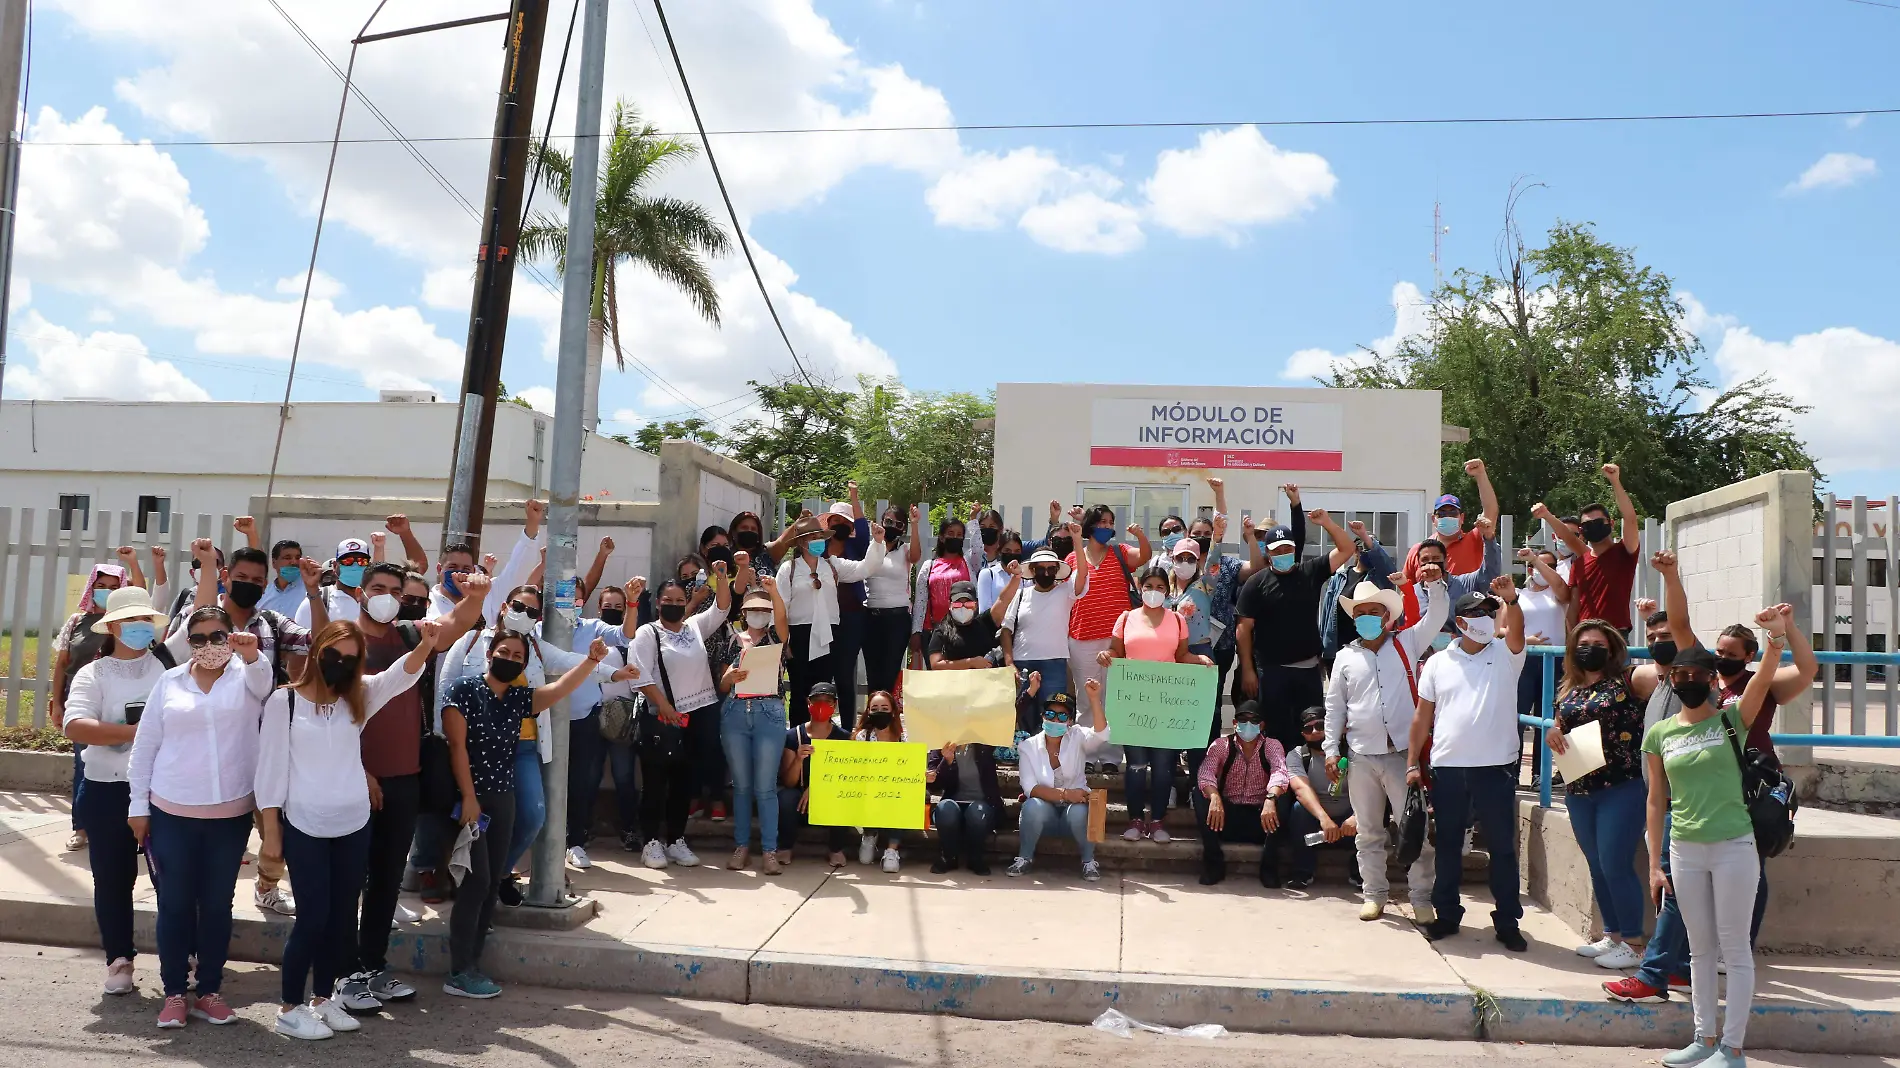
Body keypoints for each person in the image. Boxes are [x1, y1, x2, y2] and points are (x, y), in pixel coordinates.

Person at [255, 618, 439, 1039]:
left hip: (353, 823)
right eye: (334, 653)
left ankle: (322, 999)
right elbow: (269, 772)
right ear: (318, 650)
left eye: (351, 659)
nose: (340, 663)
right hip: (305, 824)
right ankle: (289, 1006)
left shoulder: (357, 698)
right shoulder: (284, 703)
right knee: (312, 918)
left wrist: (426, 646)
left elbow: (399, 677)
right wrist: (271, 833)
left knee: (341, 919)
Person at [328, 564, 487, 1011]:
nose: (387, 596)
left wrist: (476, 595)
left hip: (404, 779)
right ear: (360, 593)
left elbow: (455, 623)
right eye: (378, 588)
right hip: (352, 780)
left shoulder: (408, 635)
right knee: (347, 880)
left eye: (395, 590)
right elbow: (328, 715)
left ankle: (372, 968)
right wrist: (359, 771)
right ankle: (343, 974)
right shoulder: (343, 643)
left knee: (386, 881)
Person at [1642, 621, 1785, 1068]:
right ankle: (1704, 1039)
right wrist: (1653, 864)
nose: (1688, 682)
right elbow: (1655, 800)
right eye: (1679, 676)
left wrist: (1777, 639)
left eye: (1697, 675)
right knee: (1699, 950)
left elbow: (1764, 676)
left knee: (1734, 948)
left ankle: (1734, 1048)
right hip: (1685, 849)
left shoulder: (1732, 719)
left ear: (1711, 679)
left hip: (1734, 847)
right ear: (1671, 679)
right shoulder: (1660, 734)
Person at [435, 583, 632, 903]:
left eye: (531, 612)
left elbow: (571, 663)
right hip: (474, 748)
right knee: (471, 818)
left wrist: (615, 674)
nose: (523, 615)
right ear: (503, 607)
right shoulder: (471, 642)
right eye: (518, 607)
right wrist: (444, 738)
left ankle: (499, 873)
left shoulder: (536, 648)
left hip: (523, 747)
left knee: (532, 816)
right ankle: (463, 881)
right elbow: (445, 691)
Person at [439, 630, 607, 999]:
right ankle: (458, 971)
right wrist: (469, 798)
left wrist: (592, 661)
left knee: (489, 885)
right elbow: (456, 748)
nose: (511, 659)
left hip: (503, 798)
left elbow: (560, 688)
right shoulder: (463, 690)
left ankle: (473, 963)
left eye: (518, 656)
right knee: (475, 882)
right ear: (489, 653)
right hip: (469, 800)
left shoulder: (517, 697)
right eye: (504, 652)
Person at [126, 610, 273, 1029]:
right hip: (172, 809)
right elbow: (146, 744)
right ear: (187, 642)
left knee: (215, 905)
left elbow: (265, 687)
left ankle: (209, 989)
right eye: (198, 638)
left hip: (230, 812)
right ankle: (174, 993)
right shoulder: (169, 683)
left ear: (231, 636)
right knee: (173, 904)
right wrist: (138, 807)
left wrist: (252, 656)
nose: (208, 644)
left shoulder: (247, 676)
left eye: (217, 635)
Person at [170, 537, 324, 918]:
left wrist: (314, 594)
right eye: (242, 576)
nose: (250, 584)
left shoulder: (270, 622)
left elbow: (318, 642)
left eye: (258, 580)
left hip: (262, 745)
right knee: (216, 835)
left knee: (275, 826)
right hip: (206, 747)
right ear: (225, 576)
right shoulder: (199, 621)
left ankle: (267, 886)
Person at [1408, 577, 1529, 950]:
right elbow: (1422, 719)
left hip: (1495, 769)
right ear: (1460, 622)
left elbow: (1518, 629)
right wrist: (1414, 763)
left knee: (1502, 849)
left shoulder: (1506, 654)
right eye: (1477, 614)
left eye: (1489, 613)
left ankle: (1507, 921)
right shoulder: (1437, 663)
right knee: (1447, 847)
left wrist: (1511, 599)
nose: (1485, 619)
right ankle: (1447, 915)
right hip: (1448, 770)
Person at [61, 586, 171, 995]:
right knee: (112, 878)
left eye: (146, 620)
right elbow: (75, 726)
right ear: (113, 626)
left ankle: (184, 956)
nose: (140, 628)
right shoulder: (95, 673)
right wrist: (134, 733)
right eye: (131, 621)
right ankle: (119, 959)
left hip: (160, 792)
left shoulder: (166, 669)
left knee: (169, 880)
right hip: (107, 790)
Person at [1325, 574, 1448, 921]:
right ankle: (1373, 894)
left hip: (1401, 757)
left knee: (1414, 829)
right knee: (1368, 832)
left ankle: (1421, 898)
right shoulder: (1345, 658)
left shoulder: (1407, 642)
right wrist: (1332, 748)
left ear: (1387, 616)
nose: (1366, 617)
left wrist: (1432, 586)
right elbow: (1335, 706)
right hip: (1362, 754)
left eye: (1373, 611)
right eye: (1360, 612)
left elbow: (1437, 615)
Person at [1543, 619, 1649, 971]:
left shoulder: (1629, 680)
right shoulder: (1570, 689)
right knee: (1598, 865)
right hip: (1579, 787)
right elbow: (1562, 724)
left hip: (1621, 786)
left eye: (1598, 643)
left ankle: (1634, 943)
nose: (1590, 648)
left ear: (1612, 648)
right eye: (1583, 642)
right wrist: (1552, 733)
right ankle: (1613, 933)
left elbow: (1667, 673)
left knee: (1616, 863)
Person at [1101, 563, 1215, 843]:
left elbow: (1182, 655)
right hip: (1134, 705)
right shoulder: (1126, 618)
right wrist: (1106, 654)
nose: (1154, 592)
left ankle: (1159, 821)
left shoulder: (1176, 620)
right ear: (1140, 588)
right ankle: (1136, 820)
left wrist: (1200, 659)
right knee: (1137, 767)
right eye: (1149, 586)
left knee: (1164, 768)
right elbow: (1116, 650)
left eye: (1160, 587)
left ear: (1167, 590)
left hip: (1166, 706)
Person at [629, 575, 734, 868]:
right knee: (655, 781)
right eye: (667, 601)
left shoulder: (694, 627)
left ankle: (676, 840)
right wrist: (664, 706)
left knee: (684, 781)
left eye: (679, 601)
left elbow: (722, 608)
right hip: (663, 716)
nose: (673, 606)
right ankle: (650, 842)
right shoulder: (648, 633)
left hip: (700, 714)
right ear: (658, 604)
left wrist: (723, 577)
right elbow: (640, 673)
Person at [1235, 509, 1356, 751]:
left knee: (1313, 732)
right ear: (1267, 553)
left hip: (1308, 671)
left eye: (1287, 549)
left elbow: (1346, 549)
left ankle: (1310, 782)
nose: (1283, 554)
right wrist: (1248, 669)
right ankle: (1280, 785)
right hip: (1270, 673)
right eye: (1277, 551)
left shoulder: (1310, 571)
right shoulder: (1256, 583)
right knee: (1276, 734)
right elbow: (1243, 628)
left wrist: (1326, 523)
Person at [50, 560, 130, 852]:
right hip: (81, 703)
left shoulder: (126, 623)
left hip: (117, 700)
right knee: (83, 765)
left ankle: (125, 825)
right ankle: (81, 828)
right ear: (91, 587)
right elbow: (62, 664)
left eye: (113, 588)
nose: (106, 592)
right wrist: (58, 702)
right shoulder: (76, 621)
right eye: (101, 587)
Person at [781, 515, 890, 729]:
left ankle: (822, 744)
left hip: (828, 634)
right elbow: (781, 609)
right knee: (800, 692)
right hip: (799, 635)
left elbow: (864, 568)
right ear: (802, 542)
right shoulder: (789, 569)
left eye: (819, 536)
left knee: (823, 692)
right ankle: (796, 747)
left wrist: (877, 542)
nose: (817, 540)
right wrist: (785, 643)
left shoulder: (832, 565)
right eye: (812, 537)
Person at [564, 579, 644, 869]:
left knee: (616, 777)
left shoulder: (597, 631)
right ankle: (574, 832)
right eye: (607, 606)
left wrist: (633, 603)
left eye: (618, 607)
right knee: (575, 779)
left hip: (609, 718)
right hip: (569, 716)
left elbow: (625, 635)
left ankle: (621, 830)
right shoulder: (543, 629)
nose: (611, 610)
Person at [1190, 477, 1263, 780]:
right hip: (1182, 647)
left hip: (1218, 647)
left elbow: (1256, 568)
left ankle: (1208, 759)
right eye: (1198, 533)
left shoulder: (1229, 564)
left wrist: (1250, 538)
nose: (1204, 536)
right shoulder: (1182, 562)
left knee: (1211, 707)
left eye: (1208, 533)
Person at [716, 579, 790, 873]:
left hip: (769, 710)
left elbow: (783, 620)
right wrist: (730, 678)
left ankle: (770, 851)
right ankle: (742, 846)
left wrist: (773, 592)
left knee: (765, 787)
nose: (759, 613)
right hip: (735, 710)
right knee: (742, 786)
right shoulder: (732, 640)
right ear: (744, 613)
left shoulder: (776, 639)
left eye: (765, 609)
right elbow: (722, 684)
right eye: (754, 609)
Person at [1064, 507, 1151, 754]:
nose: (1106, 527)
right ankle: (1088, 753)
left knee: (1115, 698)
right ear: (1090, 525)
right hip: (1082, 637)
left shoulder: (1120, 552)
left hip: (1117, 640)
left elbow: (1143, 556)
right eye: (1101, 522)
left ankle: (1112, 754)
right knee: (1086, 698)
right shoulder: (1073, 558)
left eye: (1110, 523)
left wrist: (1141, 536)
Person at [1009, 681, 1114, 881]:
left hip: (1072, 814)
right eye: (1050, 714)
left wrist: (1094, 699)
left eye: (1062, 715)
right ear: (1042, 717)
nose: (1055, 719)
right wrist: (1066, 794)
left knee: (1078, 812)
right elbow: (1030, 788)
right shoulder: (1027, 747)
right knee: (1032, 806)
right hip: (1045, 814)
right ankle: (1024, 858)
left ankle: (1088, 861)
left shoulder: (1077, 736)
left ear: (1070, 721)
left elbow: (1102, 734)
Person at [1192, 700, 1291, 886]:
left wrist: (1270, 799)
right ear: (1234, 723)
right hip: (1225, 816)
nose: (1248, 725)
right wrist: (1214, 797)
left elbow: (1280, 771)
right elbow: (1205, 772)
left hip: (1261, 818)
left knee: (1283, 798)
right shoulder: (1221, 745)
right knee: (1199, 794)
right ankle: (1214, 865)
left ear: (1262, 725)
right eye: (1242, 720)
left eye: (1254, 720)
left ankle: (1269, 868)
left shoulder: (1272, 745)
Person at [1534, 462, 1640, 633]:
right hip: (1584, 637)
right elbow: (1574, 609)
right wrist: (1571, 645)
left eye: (1598, 522)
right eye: (1588, 524)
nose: (1594, 526)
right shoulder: (1580, 563)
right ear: (1582, 530)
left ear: (1611, 524)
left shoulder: (1624, 552)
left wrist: (1615, 481)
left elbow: (1630, 519)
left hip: (1615, 633)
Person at [777, 681, 855, 868]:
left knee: (843, 797)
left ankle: (836, 849)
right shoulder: (793, 736)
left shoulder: (844, 738)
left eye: (827, 701)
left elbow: (846, 777)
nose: (822, 705)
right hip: (799, 802)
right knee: (786, 797)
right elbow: (788, 782)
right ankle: (785, 847)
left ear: (834, 705)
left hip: (828, 798)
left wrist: (817, 788)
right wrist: (798, 759)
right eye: (816, 701)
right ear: (808, 703)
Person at [1285, 706, 1359, 889]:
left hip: (1351, 823)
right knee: (1297, 810)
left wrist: (1357, 816)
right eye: (1308, 729)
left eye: (1320, 725)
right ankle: (1302, 871)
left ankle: (1360, 872)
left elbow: (1373, 789)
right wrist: (1324, 819)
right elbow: (1301, 789)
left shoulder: (1355, 752)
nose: (1315, 732)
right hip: (1318, 825)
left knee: (1376, 812)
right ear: (1303, 734)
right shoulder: (1297, 755)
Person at [1516, 547, 1573, 786]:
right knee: (1517, 718)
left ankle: (1540, 774)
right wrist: (1525, 640)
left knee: (1546, 718)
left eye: (1548, 565)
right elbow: (1501, 630)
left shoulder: (1558, 595)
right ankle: (1512, 772)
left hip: (1554, 661)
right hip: (1525, 661)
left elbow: (1562, 589)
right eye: (1535, 565)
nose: (1539, 569)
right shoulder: (1519, 595)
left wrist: (1537, 561)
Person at [1001, 546, 1081, 707]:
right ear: (1032, 570)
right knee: (1020, 715)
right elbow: (1006, 629)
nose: (1046, 573)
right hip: (1021, 663)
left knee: (1053, 713)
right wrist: (1010, 663)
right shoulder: (1021, 594)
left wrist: (1078, 540)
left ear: (1057, 570)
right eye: (1040, 569)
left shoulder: (1066, 591)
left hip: (1055, 664)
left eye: (1051, 569)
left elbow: (1083, 574)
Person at [910, 504, 987, 670]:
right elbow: (921, 600)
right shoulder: (929, 566)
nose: (955, 537)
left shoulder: (968, 563)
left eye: (959, 535)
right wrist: (916, 631)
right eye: (951, 533)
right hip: (933, 632)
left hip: (964, 631)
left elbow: (978, 550)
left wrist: (973, 520)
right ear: (942, 537)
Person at [926, 720, 1007, 876]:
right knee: (945, 808)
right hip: (954, 803)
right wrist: (947, 761)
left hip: (983, 805)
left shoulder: (985, 742)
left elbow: (1010, 713)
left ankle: (975, 857)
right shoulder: (940, 745)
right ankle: (949, 857)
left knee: (977, 812)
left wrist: (1031, 693)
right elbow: (935, 785)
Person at [1404, 458, 1500, 579]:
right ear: (1434, 519)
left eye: (1453, 513)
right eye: (1442, 514)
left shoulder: (1474, 541)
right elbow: (1406, 590)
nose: (1448, 517)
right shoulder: (1419, 551)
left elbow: (1491, 512)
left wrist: (1480, 475)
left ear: (1462, 518)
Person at [852, 691, 910, 872]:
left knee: (903, 797)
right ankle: (869, 834)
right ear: (868, 712)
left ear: (893, 712)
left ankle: (892, 849)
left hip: (896, 789)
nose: (880, 711)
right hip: (869, 789)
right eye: (875, 708)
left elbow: (911, 766)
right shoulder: (863, 736)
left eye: (885, 708)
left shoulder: (904, 737)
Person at [861, 506, 915, 696]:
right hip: (871, 618)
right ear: (882, 522)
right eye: (888, 521)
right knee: (873, 675)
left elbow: (916, 556)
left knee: (889, 674)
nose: (892, 526)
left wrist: (915, 524)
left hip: (897, 619)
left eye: (898, 524)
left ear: (903, 529)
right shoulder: (871, 547)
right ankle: (872, 720)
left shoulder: (905, 550)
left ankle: (887, 721)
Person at [297, 538, 373, 628]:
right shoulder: (318, 600)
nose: (355, 565)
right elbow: (302, 639)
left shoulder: (373, 599)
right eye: (348, 561)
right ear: (335, 566)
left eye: (362, 561)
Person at [257, 539, 309, 617]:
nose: (294, 562)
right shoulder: (264, 593)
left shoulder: (309, 592)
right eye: (287, 558)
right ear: (274, 563)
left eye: (297, 558)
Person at [977, 529, 1025, 613]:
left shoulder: (1025, 577)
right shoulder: (988, 574)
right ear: (999, 551)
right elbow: (984, 610)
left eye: (1017, 551)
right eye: (1007, 551)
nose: (1012, 554)